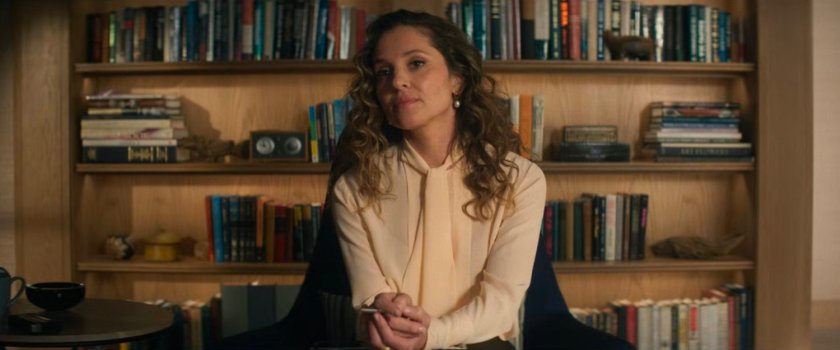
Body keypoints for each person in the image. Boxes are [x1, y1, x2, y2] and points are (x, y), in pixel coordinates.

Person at [330, 9, 547, 350]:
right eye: (384, 72)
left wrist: (434, 334)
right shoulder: (354, 187)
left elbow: (503, 301)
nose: (397, 81)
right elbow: (370, 294)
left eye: (415, 63)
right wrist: (383, 310)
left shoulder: (521, 179)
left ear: (457, 78)